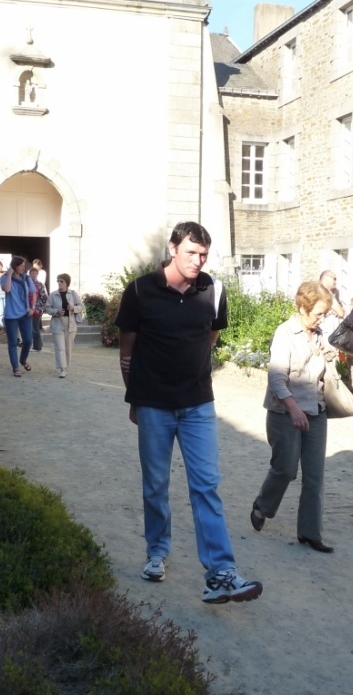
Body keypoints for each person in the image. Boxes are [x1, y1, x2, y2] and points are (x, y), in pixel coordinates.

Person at [116, 221, 263, 605]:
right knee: (155, 485)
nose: (197, 261)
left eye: (203, 255)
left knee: (206, 486)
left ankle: (221, 572)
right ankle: (157, 553)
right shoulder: (139, 291)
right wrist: (135, 397)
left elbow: (208, 339)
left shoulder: (213, 290)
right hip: (153, 405)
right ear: (172, 248)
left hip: (198, 403)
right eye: (191, 253)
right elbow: (127, 351)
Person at [250, 282, 337, 553]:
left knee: (315, 477)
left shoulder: (320, 335)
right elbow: (276, 378)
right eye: (319, 313)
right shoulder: (285, 333)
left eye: (325, 314)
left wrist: (330, 355)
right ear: (302, 307)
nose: (322, 319)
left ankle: (310, 533)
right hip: (284, 412)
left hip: (316, 410)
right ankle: (263, 505)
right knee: (286, 469)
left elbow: (321, 370)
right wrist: (294, 409)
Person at [1, 255, 36, 377]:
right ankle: (15, 367)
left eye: (24, 265)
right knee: (12, 342)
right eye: (21, 266)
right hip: (11, 315)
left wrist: (33, 308)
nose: (23, 268)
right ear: (14, 266)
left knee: (28, 340)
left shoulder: (26, 278)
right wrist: (10, 274)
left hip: (25, 313)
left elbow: (33, 293)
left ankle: (23, 359)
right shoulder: (4, 278)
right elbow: (7, 289)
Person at [47, 273, 81, 378]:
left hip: (70, 323)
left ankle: (65, 367)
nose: (59, 283)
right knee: (60, 347)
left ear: (67, 283)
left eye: (62, 281)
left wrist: (73, 308)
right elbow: (47, 308)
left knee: (68, 347)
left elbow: (81, 306)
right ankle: (62, 369)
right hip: (57, 322)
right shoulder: (53, 295)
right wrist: (56, 311)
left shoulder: (73, 294)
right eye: (58, 281)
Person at [28, 266, 47, 352]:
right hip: (27, 308)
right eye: (32, 273)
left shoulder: (40, 284)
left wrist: (43, 306)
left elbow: (44, 296)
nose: (34, 274)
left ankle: (37, 346)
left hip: (37, 308)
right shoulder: (26, 283)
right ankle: (38, 344)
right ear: (29, 274)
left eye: (35, 273)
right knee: (30, 328)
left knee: (34, 328)